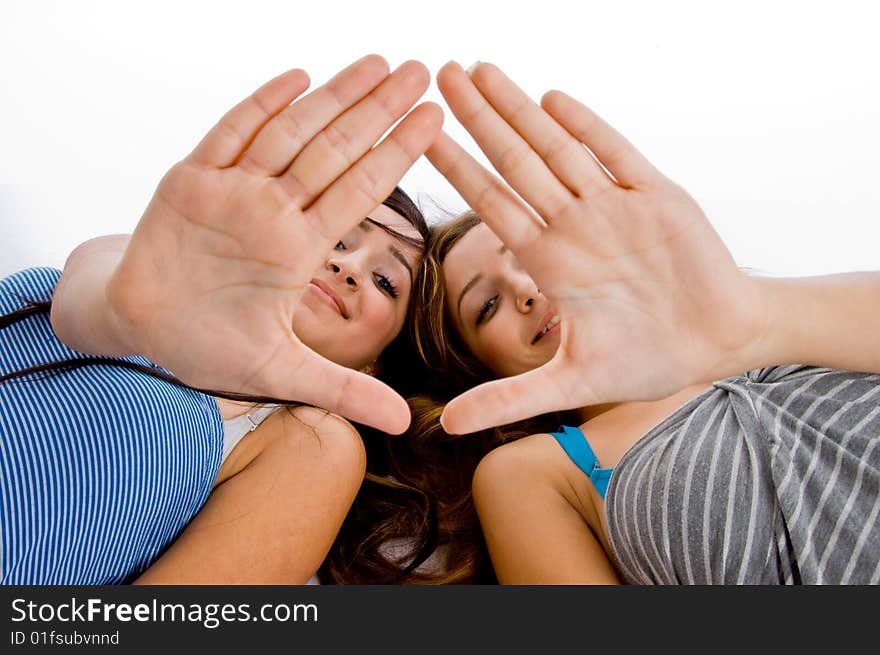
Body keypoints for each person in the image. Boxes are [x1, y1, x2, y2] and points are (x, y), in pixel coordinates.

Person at [403, 61, 880, 584]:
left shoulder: (780, 326)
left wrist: (754, 321)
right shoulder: (536, 472)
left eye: (531, 257)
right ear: (475, 365)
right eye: (485, 306)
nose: (526, 290)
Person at [0, 54, 445, 584]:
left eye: (385, 282)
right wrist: (118, 317)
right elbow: (83, 301)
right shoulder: (133, 269)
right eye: (337, 237)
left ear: (375, 364)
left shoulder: (309, 442)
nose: (347, 266)